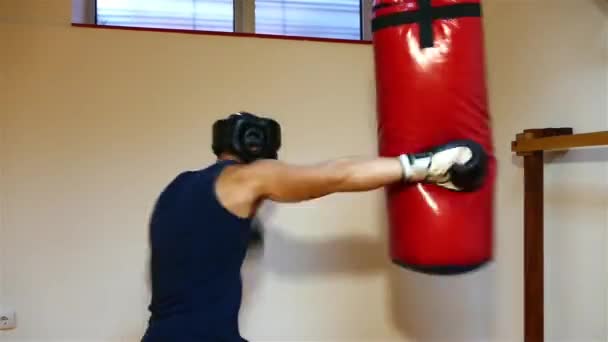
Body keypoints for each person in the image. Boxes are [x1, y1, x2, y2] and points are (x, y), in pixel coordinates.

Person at [141, 111, 487, 342]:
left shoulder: (177, 189)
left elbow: (188, 250)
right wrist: (425, 166)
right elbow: (338, 175)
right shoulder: (250, 177)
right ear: (257, 149)